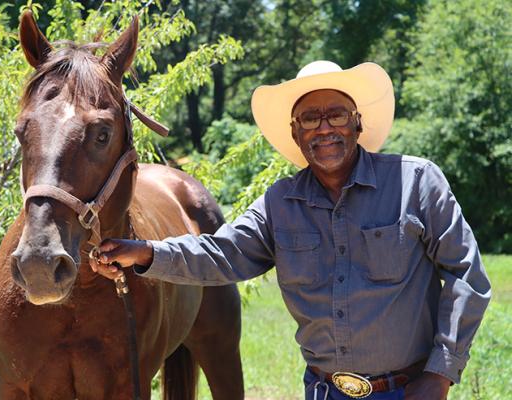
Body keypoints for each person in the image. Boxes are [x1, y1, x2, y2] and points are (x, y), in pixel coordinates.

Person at [90, 61, 491, 400]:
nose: (324, 127)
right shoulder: (280, 204)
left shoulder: (417, 183)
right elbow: (222, 254)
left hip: (410, 388)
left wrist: (440, 374)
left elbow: (467, 274)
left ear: (357, 123)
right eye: (310, 119)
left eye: (336, 114)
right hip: (324, 390)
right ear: (296, 133)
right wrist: (144, 253)